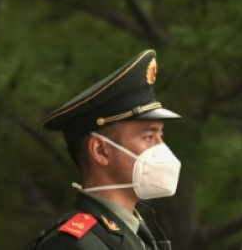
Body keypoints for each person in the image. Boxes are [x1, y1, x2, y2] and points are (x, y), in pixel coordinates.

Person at [33, 49, 182, 250]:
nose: (161, 147)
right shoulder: (70, 245)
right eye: (148, 137)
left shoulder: (139, 236)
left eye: (160, 136)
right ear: (100, 150)